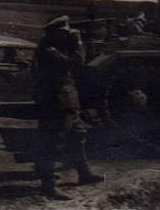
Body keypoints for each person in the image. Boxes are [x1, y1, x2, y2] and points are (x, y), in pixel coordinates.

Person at [33, 15, 102, 200]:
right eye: (64, 32)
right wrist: (79, 43)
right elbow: (75, 63)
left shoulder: (55, 46)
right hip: (56, 103)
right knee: (52, 143)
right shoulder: (49, 50)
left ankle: (84, 173)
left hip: (67, 101)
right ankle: (49, 185)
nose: (68, 35)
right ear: (54, 33)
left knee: (79, 135)